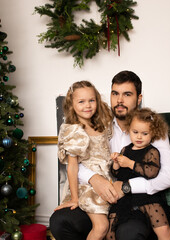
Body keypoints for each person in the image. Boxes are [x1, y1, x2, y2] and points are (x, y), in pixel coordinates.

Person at [50, 71, 170, 240]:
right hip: (100, 198)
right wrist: (94, 178)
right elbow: (78, 160)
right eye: (115, 93)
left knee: (128, 233)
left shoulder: (151, 127)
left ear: (139, 98)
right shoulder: (99, 122)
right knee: (60, 221)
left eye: (127, 94)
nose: (119, 100)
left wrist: (127, 187)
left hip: (137, 201)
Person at [54, 80, 113, 240]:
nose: (88, 105)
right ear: (72, 105)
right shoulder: (74, 131)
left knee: (109, 229)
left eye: (91, 100)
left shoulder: (102, 125)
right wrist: (74, 198)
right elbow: (72, 167)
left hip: (107, 182)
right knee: (101, 227)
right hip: (88, 187)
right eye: (81, 101)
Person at [107, 107, 170, 240]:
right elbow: (117, 174)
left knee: (163, 229)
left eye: (145, 133)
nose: (139, 137)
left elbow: (152, 172)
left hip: (147, 198)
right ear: (129, 130)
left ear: (153, 133)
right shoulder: (125, 150)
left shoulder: (152, 151)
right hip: (125, 198)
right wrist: (116, 163)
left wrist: (129, 163)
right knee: (110, 229)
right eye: (135, 132)